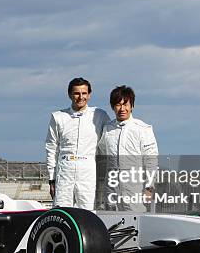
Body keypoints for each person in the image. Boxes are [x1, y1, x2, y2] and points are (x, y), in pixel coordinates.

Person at [45, 77, 110, 209]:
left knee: (89, 211)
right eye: (76, 93)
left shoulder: (100, 115)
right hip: (65, 169)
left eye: (84, 93)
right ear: (70, 94)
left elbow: (110, 139)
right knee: (61, 210)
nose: (80, 97)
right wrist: (51, 178)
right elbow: (51, 148)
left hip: (88, 169)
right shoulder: (58, 116)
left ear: (89, 95)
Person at [97, 85, 158, 211]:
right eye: (118, 105)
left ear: (132, 106)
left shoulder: (143, 129)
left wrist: (149, 187)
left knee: (136, 223)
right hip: (112, 188)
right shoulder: (107, 129)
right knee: (112, 225)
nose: (122, 109)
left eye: (126, 104)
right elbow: (102, 155)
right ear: (113, 106)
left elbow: (151, 161)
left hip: (135, 188)